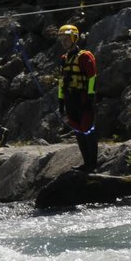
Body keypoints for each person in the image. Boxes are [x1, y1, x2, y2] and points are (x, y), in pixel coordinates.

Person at [56, 23, 99, 172]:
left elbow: (92, 77)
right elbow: (61, 81)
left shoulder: (85, 56)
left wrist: (90, 96)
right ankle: (86, 163)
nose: (64, 42)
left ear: (74, 38)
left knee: (88, 130)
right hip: (70, 99)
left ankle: (92, 164)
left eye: (66, 39)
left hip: (83, 98)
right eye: (62, 40)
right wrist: (61, 100)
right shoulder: (64, 58)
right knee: (78, 131)